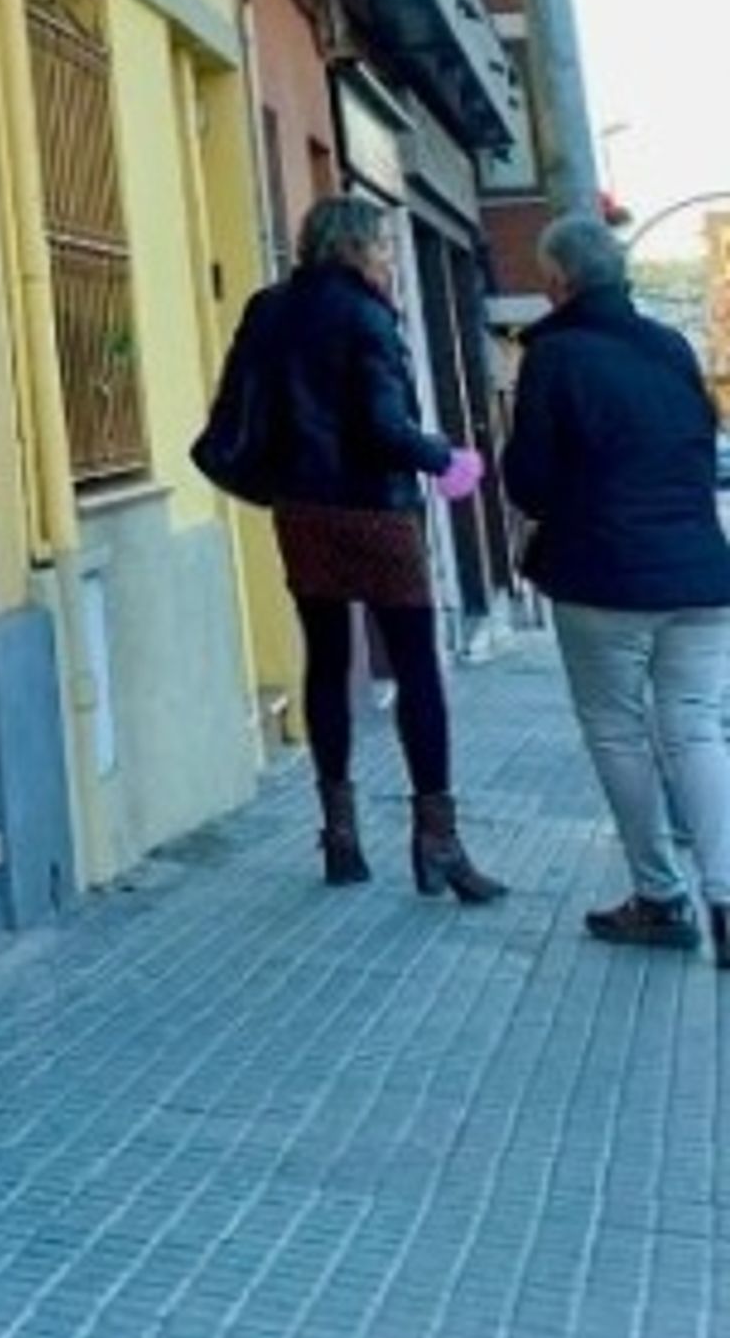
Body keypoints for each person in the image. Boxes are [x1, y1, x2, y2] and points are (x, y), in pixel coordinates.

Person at [255, 192, 504, 902]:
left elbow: (247, 407)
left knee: (325, 662)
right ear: (357, 247)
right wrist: (447, 459)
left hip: (301, 509)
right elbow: (384, 425)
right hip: (374, 511)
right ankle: (438, 841)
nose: (392, 259)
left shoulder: (269, 309)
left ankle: (339, 836)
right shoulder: (368, 315)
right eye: (386, 247)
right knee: (416, 667)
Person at [502, 209, 730, 962]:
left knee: (618, 730)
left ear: (558, 280)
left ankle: (661, 897)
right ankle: (728, 901)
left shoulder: (555, 356)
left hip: (603, 575)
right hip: (702, 572)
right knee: (698, 729)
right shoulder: (671, 346)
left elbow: (530, 480)